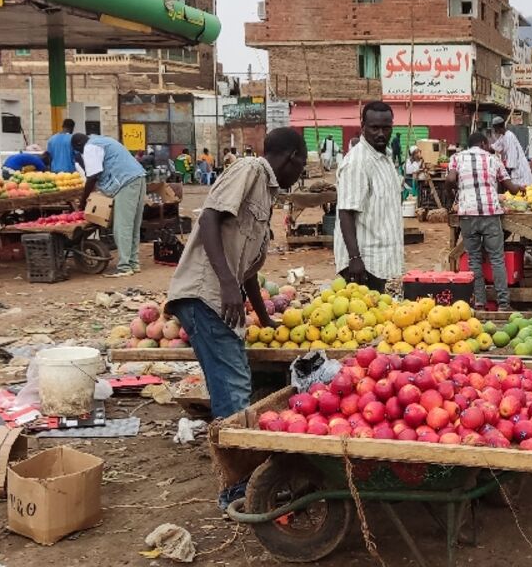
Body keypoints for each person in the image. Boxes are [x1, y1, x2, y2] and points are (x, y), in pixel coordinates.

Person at [164, 128, 308, 511]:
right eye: (303, 166)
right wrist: (227, 283)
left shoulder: (268, 195)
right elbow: (209, 219)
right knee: (235, 389)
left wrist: (264, 319)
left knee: (231, 389)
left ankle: (239, 484)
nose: (301, 174)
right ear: (291, 157)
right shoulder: (250, 170)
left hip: (219, 301)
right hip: (204, 296)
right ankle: (238, 492)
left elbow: (248, 274)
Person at [447, 132, 525, 310]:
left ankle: (480, 303)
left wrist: (452, 194)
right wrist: (520, 188)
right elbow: (511, 189)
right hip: (490, 215)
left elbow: (451, 179)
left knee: (474, 260)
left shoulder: (456, 158)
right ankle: (504, 304)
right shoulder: (493, 159)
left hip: (467, 215)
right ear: (483, 143)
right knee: (497, 259)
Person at [336, 102, 404, 292]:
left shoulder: (385, 157)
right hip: (363, 265)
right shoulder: (357, 162)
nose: (381, 133)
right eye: (374, 128)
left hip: (382, 261)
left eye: (386, 128)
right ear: (363, 126)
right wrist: (354, 258)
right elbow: (346, 212)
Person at [74, 133, 147, 277]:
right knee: (133, 224)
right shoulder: (104, 140)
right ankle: (133, 262)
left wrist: (83, 202)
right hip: (138, 178)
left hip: (125, 182)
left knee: (122, 226)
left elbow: (92, 176)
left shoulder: (90, 147)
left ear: (78, 145)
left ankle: (125, 267)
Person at [490, 117, 532, 185]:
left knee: (521, 192)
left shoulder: (509, 136)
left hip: (519, 170)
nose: (494, 131)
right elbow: (495, 147)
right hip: (515, 171)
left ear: (498, 128)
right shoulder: (503, 136)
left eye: (495, 129)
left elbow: (512, 157)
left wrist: (506, 170)